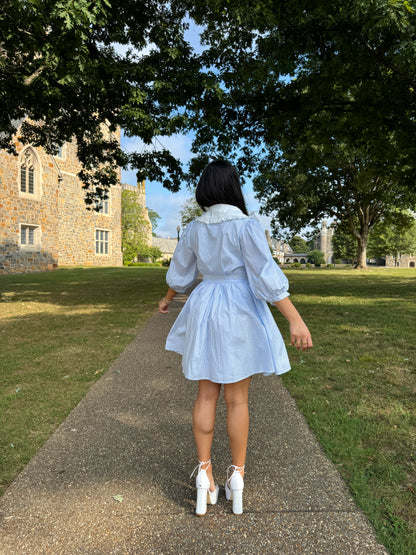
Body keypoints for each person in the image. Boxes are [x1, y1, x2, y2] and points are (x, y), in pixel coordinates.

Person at [158, 160, 313, 516]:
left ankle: (205, 474)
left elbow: (180, 273)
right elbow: (264, 276)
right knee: (238, 400)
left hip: (205, 305)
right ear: (233, 188)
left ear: (205, 190)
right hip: (239, 309)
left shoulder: (194, 228)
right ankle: (237, 477)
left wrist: (167, 301)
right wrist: (295, 319)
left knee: (206, 393)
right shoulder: (246, 226)